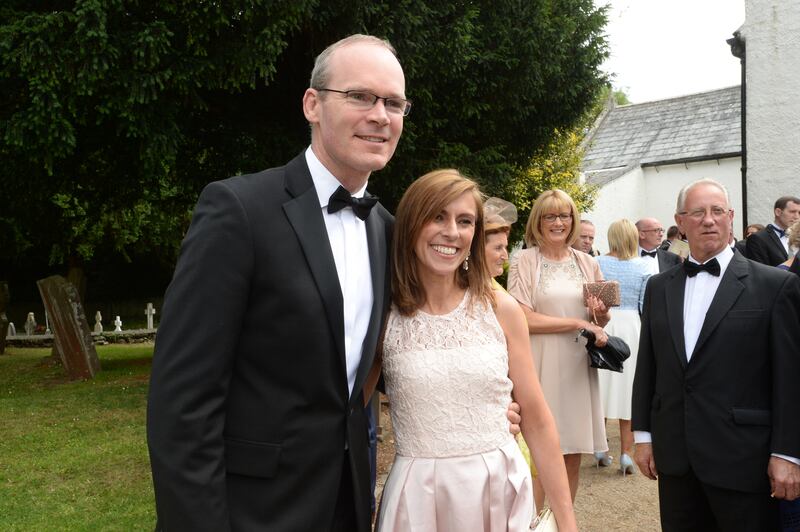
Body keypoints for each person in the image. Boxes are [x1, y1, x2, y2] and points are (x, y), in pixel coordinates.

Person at [147, 34, 405, 531]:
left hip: (345, 506)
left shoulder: (387, 231)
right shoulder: (238, 210)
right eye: (360, 97)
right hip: (250, 511)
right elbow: (182, 402)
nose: (380, 115)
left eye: (393, 103)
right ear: (313, 104)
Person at [376, 170, 577, 531]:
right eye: (437, 216)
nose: (451, 231)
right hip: (417, 499)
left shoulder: (500, 309)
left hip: (497, 488)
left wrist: (567, 522)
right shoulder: (383, 315)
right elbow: (348, 411)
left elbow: (537, 418)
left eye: (464, 221)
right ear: (410, 224)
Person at [632, 178, 800, 531]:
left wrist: (787, 453)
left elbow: (790, 378)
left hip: (743, 459)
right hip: (677, 459)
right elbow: (649, 366)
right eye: (698, 212)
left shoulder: (775, 285)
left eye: (717, 211)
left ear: (730, 217)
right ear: (680, 221)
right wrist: (644, 436)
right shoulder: (659, 287)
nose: (709, 220)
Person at [507, 189, 610, 510]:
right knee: (540, 454)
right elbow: (521, 317)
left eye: (564, 215)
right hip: (539, 366)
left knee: (572, 454)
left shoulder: (587, 262)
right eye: (550, 216)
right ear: (538, 221)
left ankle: (562, 522)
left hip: (578, 367)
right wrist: (577, 324)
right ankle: (534, 523)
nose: (558, 222)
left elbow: (600, 321)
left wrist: (599, 313)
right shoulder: (524, 260)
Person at [595, 219, 650, 476]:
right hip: (632, 327)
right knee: (629, 390)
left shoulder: (598, 263)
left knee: (601, 385)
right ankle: (626, 453)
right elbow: (644, 304)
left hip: (605, 324)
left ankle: (600, 447)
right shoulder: (644, 266)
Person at [746, 195, 800, 266]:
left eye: (799, 213)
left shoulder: (797, 236)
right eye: (792, 212)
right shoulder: (757, 238)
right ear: (778, 212)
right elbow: (760, 271)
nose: (797, 216)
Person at [484, 197, 518, 288]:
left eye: (505, 247)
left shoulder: (502, 297)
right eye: (498, 248)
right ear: (478, 249)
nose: (506, 257)